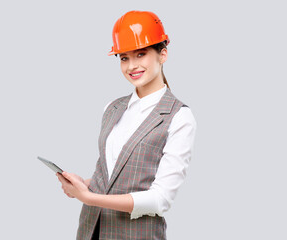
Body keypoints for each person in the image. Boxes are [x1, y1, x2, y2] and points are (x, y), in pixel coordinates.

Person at [56, 10, 197, 240]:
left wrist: (88, 197)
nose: (132, 66)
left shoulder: (179, 117)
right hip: (90, 230)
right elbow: (114, 176)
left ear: (163, 54)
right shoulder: (112, 108)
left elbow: (160, 200)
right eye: (124, 57)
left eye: (140, 54)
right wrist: (85, 183)